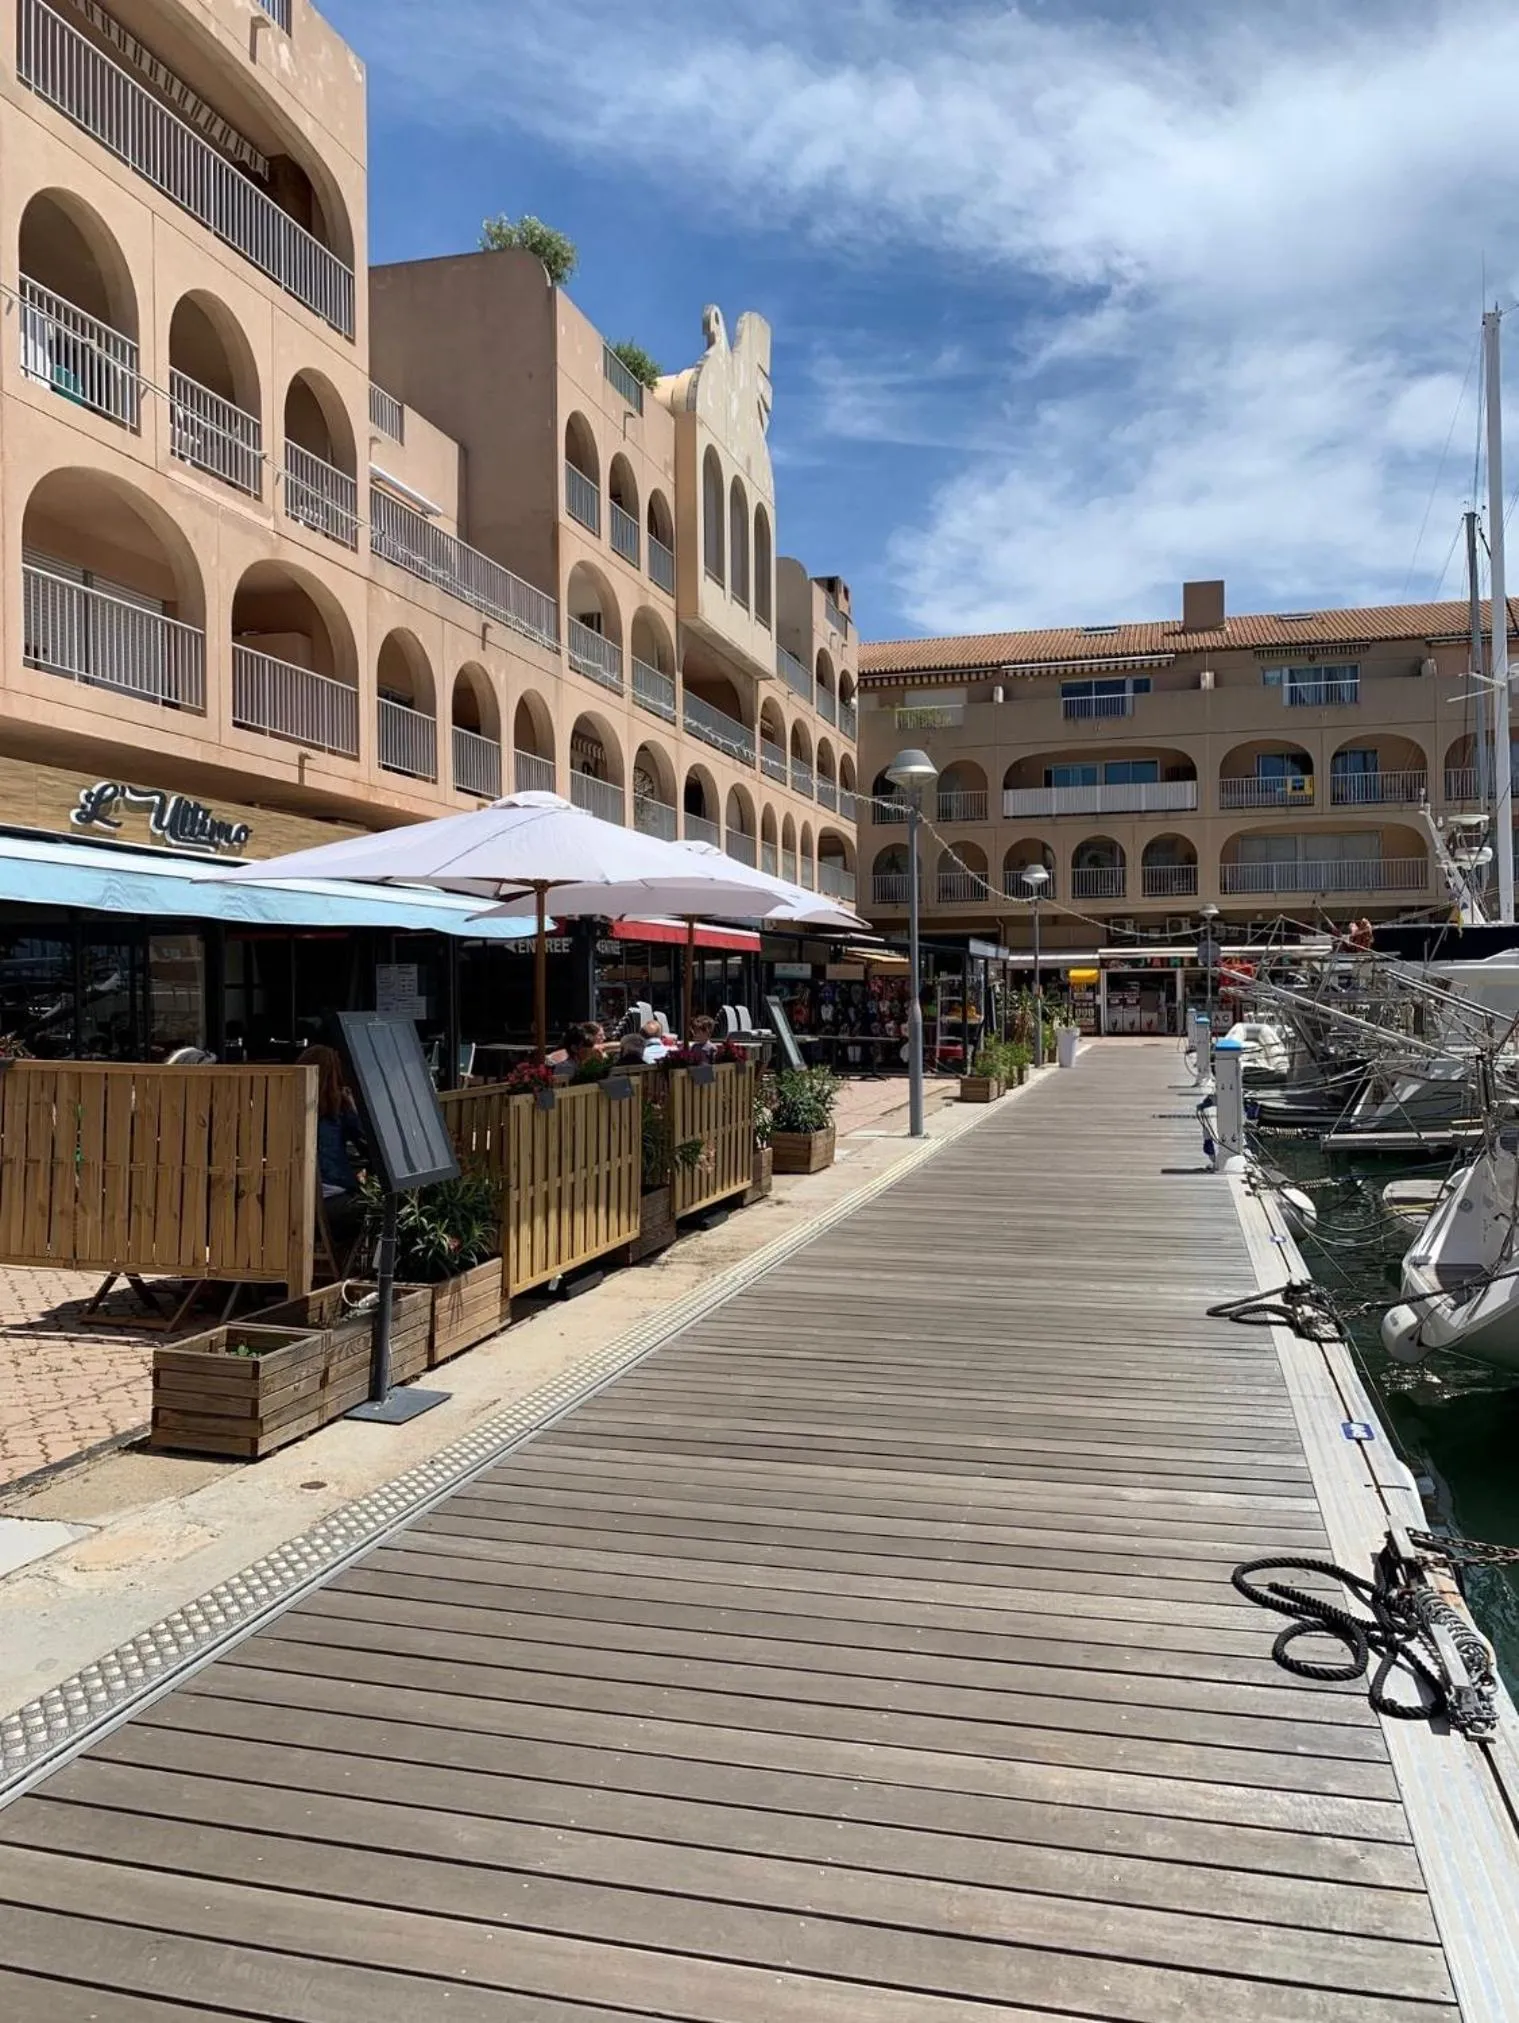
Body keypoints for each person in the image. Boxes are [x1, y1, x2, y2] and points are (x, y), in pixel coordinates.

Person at [297, 1044, 368, 1199]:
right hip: (334, 1189)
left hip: (294, 1191)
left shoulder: (286, 1105)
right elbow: (367, 1146)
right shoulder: (338, 1107)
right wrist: (353, 1108)